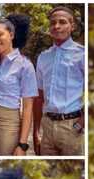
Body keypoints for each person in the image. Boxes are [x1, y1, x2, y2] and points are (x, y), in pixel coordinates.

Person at [0, 15, 37, 156]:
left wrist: (22, 145)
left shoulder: (25, 65)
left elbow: (28, 108)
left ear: (11, 35)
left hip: (8, 127)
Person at [34, 6, 85, 156]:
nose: (57, 26)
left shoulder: (82, 54)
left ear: (72, 26)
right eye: (53, 23)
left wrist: (82, 122)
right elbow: (38, 97)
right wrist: (36, 131)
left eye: (62, 22)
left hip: (73, 127)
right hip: (47, 127)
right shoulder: (43, 57)